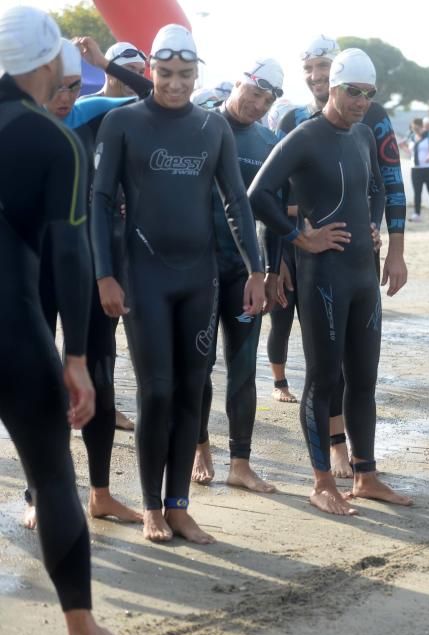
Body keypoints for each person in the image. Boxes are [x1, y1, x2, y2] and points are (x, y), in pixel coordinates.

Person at [0, 7, 139, 635]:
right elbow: (70, 256)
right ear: (45, 63)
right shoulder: (53, 140)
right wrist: (77, 357)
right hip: (12, 325)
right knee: (53, 476)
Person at [91, 24, 266, 543]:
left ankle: (179, 505)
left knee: (193, 390)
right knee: (158, 392)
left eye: (185, 75)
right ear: (150, 71)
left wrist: (255, 269)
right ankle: (149, 505)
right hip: (143, 277)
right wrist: (105, 274)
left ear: (197, 74)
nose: (174, 84)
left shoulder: (211, 127)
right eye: (165, 74)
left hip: (200, 277)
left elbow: (237, 200)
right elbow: (100, 202)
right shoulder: (122, 122)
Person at [249, 48, 413, 513]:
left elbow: (378, 186)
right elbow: (258, 194)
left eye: (369, 93)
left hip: (363, 274)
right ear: (333, 88)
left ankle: (366, 475)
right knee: (323, 379)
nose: (361, 101)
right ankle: (322, 482)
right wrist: (298, 237)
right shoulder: (304, 136)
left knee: (363, 380)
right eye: (353, 92)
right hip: (324, 277)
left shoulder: (362, 136)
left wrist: (376, 224)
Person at [27, 38, 151, 531]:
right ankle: (40, 494)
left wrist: (107, 66)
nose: (66, 97)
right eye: (56, 87)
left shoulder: (93, 112)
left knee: (98, 379)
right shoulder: (16, 126)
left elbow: (162, 96)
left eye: (75, 86)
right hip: (32, 274)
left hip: (90, 270)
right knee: (40, 386)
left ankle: (100, 493)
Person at [192, 58, 288, 494]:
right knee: (198, 365)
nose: (257, 103)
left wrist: (270, 269)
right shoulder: (200, 126)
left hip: (245, 272)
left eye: (266, 99)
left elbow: (272, 211)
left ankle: (241, 462)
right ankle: (200, 446)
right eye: (254, 92)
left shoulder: (268, 140)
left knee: (243, 369)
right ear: (238, 84)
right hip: (195, 269)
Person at [406, 116, 429, 221]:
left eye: (416, 128)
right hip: (416, 169)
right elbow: (411, 153)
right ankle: (417, 214)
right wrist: (402, 147)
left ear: (421, 127)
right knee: (417, 192)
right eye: (413, 128)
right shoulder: (411, 138)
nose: (415, 130)